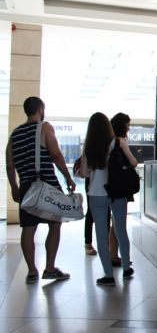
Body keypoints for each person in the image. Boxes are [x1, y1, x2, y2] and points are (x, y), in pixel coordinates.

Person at [5, 96, 75, 284]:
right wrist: (68, 178)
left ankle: (31, 272)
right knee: (55, 224)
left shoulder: (15, 134)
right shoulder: (44, 127)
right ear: (40, 110)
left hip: (26, 186)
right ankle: (50, 268)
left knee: (28, 229)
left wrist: (14, 186)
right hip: (47, 184)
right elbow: (56, 154)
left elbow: (9, 165)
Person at [76, 112, 136, 286]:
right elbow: (133, 163)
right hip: (118, 192)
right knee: (121, 231)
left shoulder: (89, 147)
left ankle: (109, 276)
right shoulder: (118, 142)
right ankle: (126, 268)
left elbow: (84, 173)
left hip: (97, 194)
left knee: (101, 235)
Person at [109, 112, 135, 266]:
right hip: (120, 187)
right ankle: (124, 260)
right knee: (120, 225)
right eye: (127, 125)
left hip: (109, 186)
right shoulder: (120, 141)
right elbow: (133, 162)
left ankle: (113, 255)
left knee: (114, 224)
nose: (128, 129)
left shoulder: (108, 140)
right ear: (122, 126)